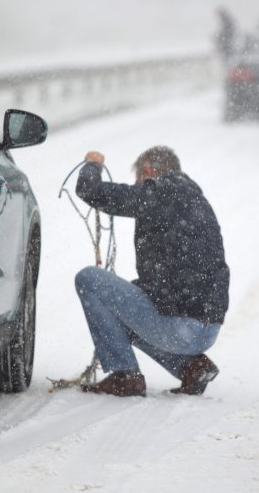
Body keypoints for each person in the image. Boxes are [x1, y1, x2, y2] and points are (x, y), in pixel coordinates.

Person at [74, 146, 229, 397]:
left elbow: (92, 191)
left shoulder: (163, 192)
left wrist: (93, 166)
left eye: (139, 181)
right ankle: (190, 366)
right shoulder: (193, 198)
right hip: (208, 328)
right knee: (121, 306)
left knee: (88, 279)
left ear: (148, 171)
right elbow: (171, 280)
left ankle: (126, 376)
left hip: (182, 328)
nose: (139, 187)